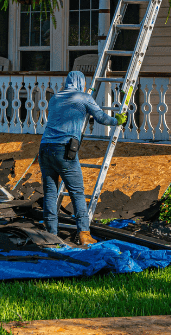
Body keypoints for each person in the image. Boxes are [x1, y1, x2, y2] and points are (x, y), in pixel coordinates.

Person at [39, 70, 127, 245]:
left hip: (44, 148)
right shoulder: (83, 97)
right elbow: (101, 118)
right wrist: (117, 120)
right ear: (81, 83)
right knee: (77, 193)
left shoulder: (56, 98)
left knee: (50, 192)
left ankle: (51, 234)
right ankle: (84, 234)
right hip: (64, 149)